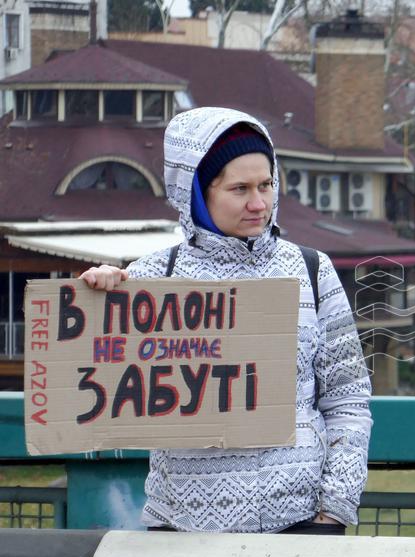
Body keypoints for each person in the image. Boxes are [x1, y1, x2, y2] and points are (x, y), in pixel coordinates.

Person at [80, 107, 372, 534]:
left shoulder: (313, 272)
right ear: (196, 191)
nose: (259, 203)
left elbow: (347, 399)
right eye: (239, 189)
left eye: (266, 185)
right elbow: (90, 379)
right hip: (182, 530)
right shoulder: (152, 280)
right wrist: (95, 298)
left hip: (300, 525)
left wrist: (334, 511)